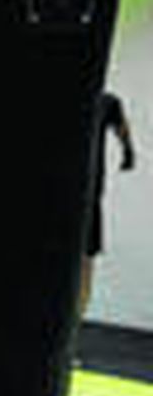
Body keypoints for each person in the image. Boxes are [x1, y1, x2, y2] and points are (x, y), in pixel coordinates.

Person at [80, 90, 135, 320]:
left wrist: (128, 151)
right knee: (81, 264)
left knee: (85, 264)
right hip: (72, 199)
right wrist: (128, 151)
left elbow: (120, 124)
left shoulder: (104, 102)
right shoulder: (104, 102)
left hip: (88, 199)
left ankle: (73, 329)